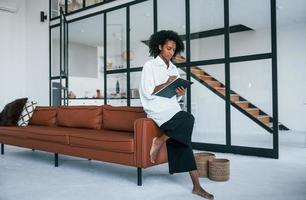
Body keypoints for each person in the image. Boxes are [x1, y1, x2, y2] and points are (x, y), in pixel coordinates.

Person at [139, 30, 214, 200]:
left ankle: (196, 187)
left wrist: (180, 92)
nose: (171, 52)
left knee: (184, 142)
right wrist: (165, 83)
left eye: (173, 50)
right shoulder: (149, 66)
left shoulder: (174, 68)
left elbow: (174, 94)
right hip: (156, 108)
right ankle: (159, 142)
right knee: (189, 118)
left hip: (172, 108)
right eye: (168, 48)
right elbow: (147, 92)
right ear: (159, 47)